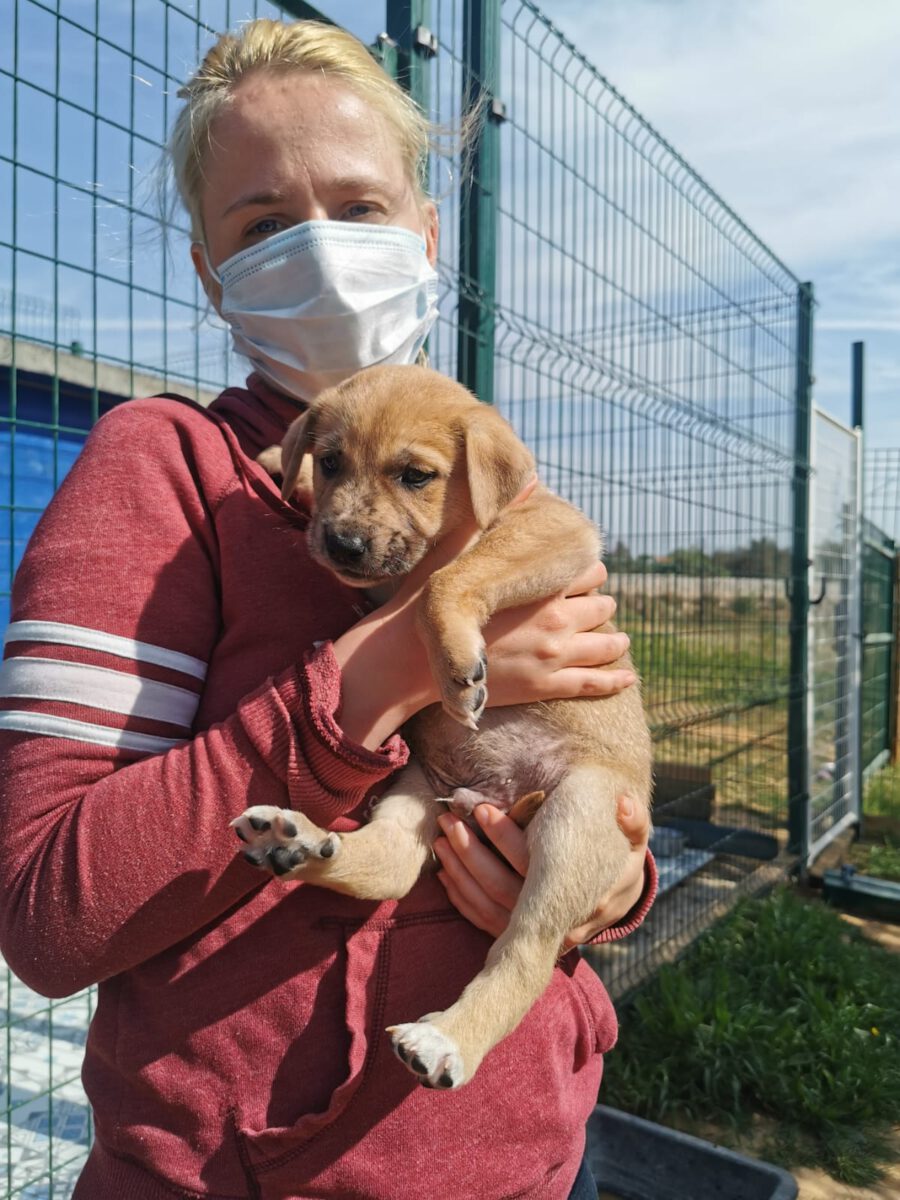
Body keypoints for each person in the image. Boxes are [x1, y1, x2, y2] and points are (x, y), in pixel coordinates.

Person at [0, 19, 655, 1200]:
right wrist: (383, 670)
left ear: (427, 235)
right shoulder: (165, 471)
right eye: (263, 226)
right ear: (208, 269)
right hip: (222, 1175)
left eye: (360, 208)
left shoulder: (477, 459)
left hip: (527, 1152)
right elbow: (49, 920)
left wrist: (610, 885)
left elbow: (592, 739)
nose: (322, 251)